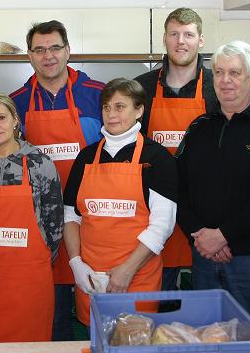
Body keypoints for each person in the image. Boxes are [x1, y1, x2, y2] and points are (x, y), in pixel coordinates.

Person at [177, 40, 250, 335]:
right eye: (219, 72)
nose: (225, 81)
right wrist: (201, 236)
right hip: (204, 257)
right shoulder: (198, 128)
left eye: (235, 73)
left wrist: (224, 235)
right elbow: (177, 187)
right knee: (207, 337)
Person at [10, 20, 104, 340]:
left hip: (91, 223)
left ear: (68, 50)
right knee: (53, 321)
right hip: (42, 228)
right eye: (39, 49)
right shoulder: (16, 103)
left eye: (54, 48)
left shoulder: (98, 95)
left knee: (99, 317)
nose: (47, 56)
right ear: (30, 56)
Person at [63, 78, 177, 327]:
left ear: (139, 110)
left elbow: (162, 226)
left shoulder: (157, 158)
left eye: (120, 106)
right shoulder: (86, 157)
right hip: (91, 279)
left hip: (137, 278)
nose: (111, 114)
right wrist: (75, 263)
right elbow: (71, 215)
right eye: (106, 107)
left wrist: (126, 271)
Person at [0, 91, 62, 343]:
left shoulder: (40, 164)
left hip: (29, 284)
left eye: (1, 117)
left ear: (15, 120)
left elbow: (55, 225)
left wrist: (36, 258)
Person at [134, 7, 218, 290]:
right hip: (156, 208)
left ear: (201, 40)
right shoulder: (142, 88)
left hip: (206, 209)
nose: (181, 41)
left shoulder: (216, 89)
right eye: (174, 34)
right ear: (165, 39)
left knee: (207, 301)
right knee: (161, 299)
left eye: (188, 35)